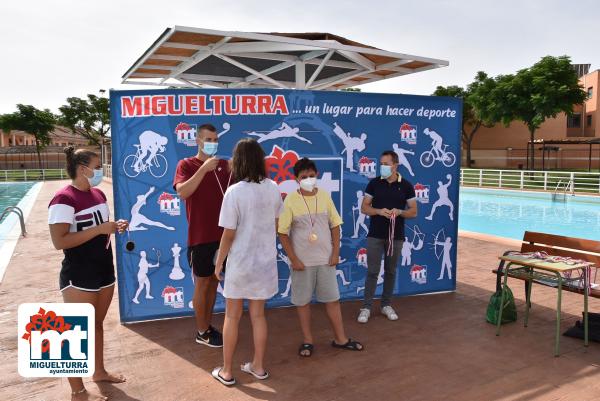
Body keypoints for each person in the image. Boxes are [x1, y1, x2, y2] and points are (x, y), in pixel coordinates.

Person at [48, 147, 128, 401]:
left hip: (103, 268)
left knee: (96, 325)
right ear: (83, 169)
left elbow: (98, 227)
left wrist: (113, 228)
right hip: (79, 273)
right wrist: (99, 229)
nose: (100, 170)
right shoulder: (63, 199)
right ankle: (77, 390)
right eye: (97, 165)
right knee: (75, 332)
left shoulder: (98, 193)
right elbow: (59, 241)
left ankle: (99, 372)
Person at [212, 138, 283, 386]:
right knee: (258, 316)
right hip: (264, 263)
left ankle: (227, 371)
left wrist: (218, 263)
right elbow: (276, 224)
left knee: (232, 317)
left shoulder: (235, 192)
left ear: (239, 161)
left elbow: (228, 234)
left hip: (241, 264)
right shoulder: (273, 187)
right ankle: (258, 367)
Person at [278, 157, 363, 357]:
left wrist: (335, 253)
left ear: (317, 175)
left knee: (332, 300)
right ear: (296, 179)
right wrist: (294, 259)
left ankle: (341, 339)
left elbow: (335, 225)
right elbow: (282, 232)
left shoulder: (325, 196)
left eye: (312, 176)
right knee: (303, 303)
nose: (308, 179)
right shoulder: (290, 200)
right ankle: (308, 341)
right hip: (302, 264)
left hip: (326, 261)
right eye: (303, 177)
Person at [174, 123, 232, 347]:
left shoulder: (224, 165)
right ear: (198, 141)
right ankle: (201, 331)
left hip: (224, 236)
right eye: (208, 140)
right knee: (202, 284)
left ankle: (207, 326)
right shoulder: (186, 164)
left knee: (214, 282)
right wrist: (203, 169)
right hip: (200, 237)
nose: (213, 144)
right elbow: (182, 192)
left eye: (216, 140)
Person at [357, 150, 418, 324]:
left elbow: (413, 211)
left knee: (390, 272)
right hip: (375, 235)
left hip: (396, 237)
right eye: (381, 164)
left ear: (395, 165)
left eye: (386, 164)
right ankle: (366, 307)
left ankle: (386, 305)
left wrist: (400, 212)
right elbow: (364, 208)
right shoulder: (374, 184)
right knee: (372, 272)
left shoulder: (406, 185)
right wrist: (377, 211)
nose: (382, 167)